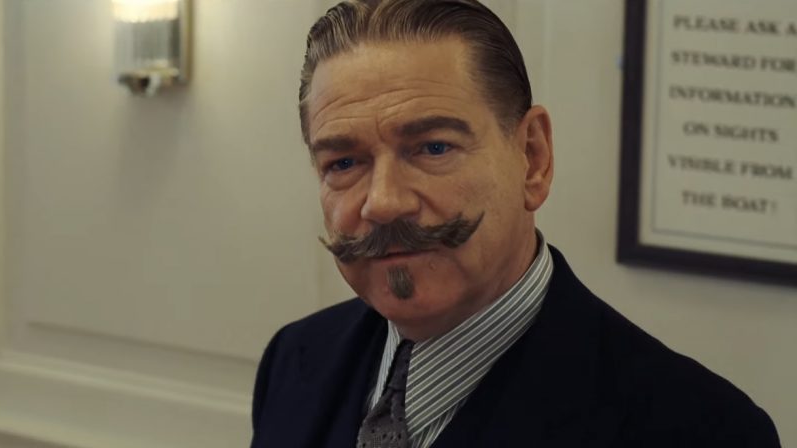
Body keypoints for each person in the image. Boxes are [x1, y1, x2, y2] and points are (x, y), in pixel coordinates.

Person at [249, 1, 781, 447]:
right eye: (344, 162)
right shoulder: (293, 360)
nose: (383, 203)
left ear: (533, 158)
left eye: (433, 148)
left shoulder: (700, 430)